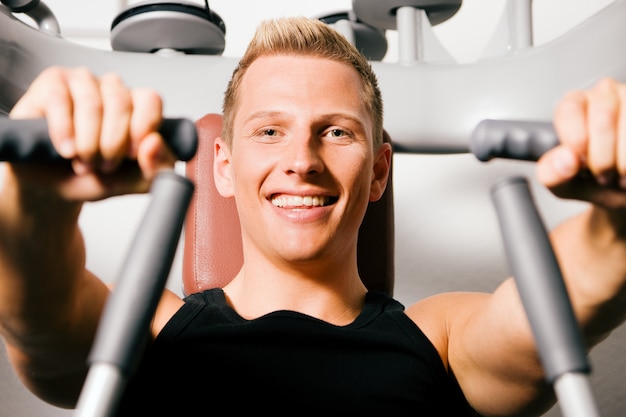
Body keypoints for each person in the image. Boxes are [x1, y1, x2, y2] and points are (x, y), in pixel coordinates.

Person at [1, 16, 626, 416]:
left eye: (335, 132)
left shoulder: (441, 340)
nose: (301, 160)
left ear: (379, 170)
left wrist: (618, 218)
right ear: (222, 165)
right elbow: (37, 313)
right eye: (270, 131)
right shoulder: (150, 327)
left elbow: (571, 298)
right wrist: (35, 198)